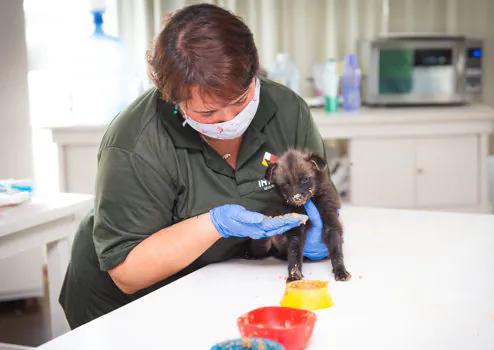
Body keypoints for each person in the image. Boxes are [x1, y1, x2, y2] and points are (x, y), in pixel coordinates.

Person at [59, 2, 333, 329]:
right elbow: (128, 273)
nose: (231, 120)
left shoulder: (287, 111)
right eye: (208, 114)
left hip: (218, 285)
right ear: (171, 97)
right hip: (125, 302)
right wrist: (214, 224)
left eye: (240, 101)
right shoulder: (135, 142)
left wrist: (318, 231)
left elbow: (317, 194)